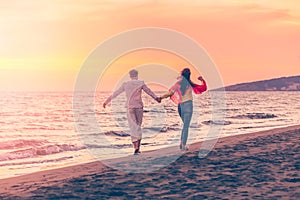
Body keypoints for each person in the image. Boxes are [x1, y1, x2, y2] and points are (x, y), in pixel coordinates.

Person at [103, 69, 161, 155]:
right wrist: (156, 98)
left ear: (130, 76)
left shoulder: (125, 84)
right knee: (138, 127)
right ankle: (138, 147)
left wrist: (107, 101)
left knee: (133, 127)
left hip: (130, 107)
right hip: (139, 107)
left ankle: (135, 147)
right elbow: (149, 91)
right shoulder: (140, 83)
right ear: (137, 75)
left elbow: (116, 93)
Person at [160, 68, 207, 151]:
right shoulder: (190, 84)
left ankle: (182, 144)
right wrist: (202, 80)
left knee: (184, 126)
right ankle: (183, 145)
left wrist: (160, 97)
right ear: (189, 75)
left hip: (181, 107)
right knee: (186, 126)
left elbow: (170, 93)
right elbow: (203, 88)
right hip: (188, 105)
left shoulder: (178, 84)